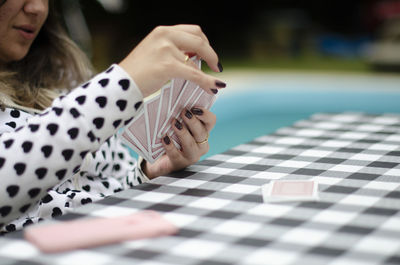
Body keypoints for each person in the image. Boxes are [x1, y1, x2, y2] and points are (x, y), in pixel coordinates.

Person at [0, 0, 225, 233]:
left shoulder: (63, 72)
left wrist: (149, 170)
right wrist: (122, 83)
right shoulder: (98, 92)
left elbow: (117, 180)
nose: (37, 8)